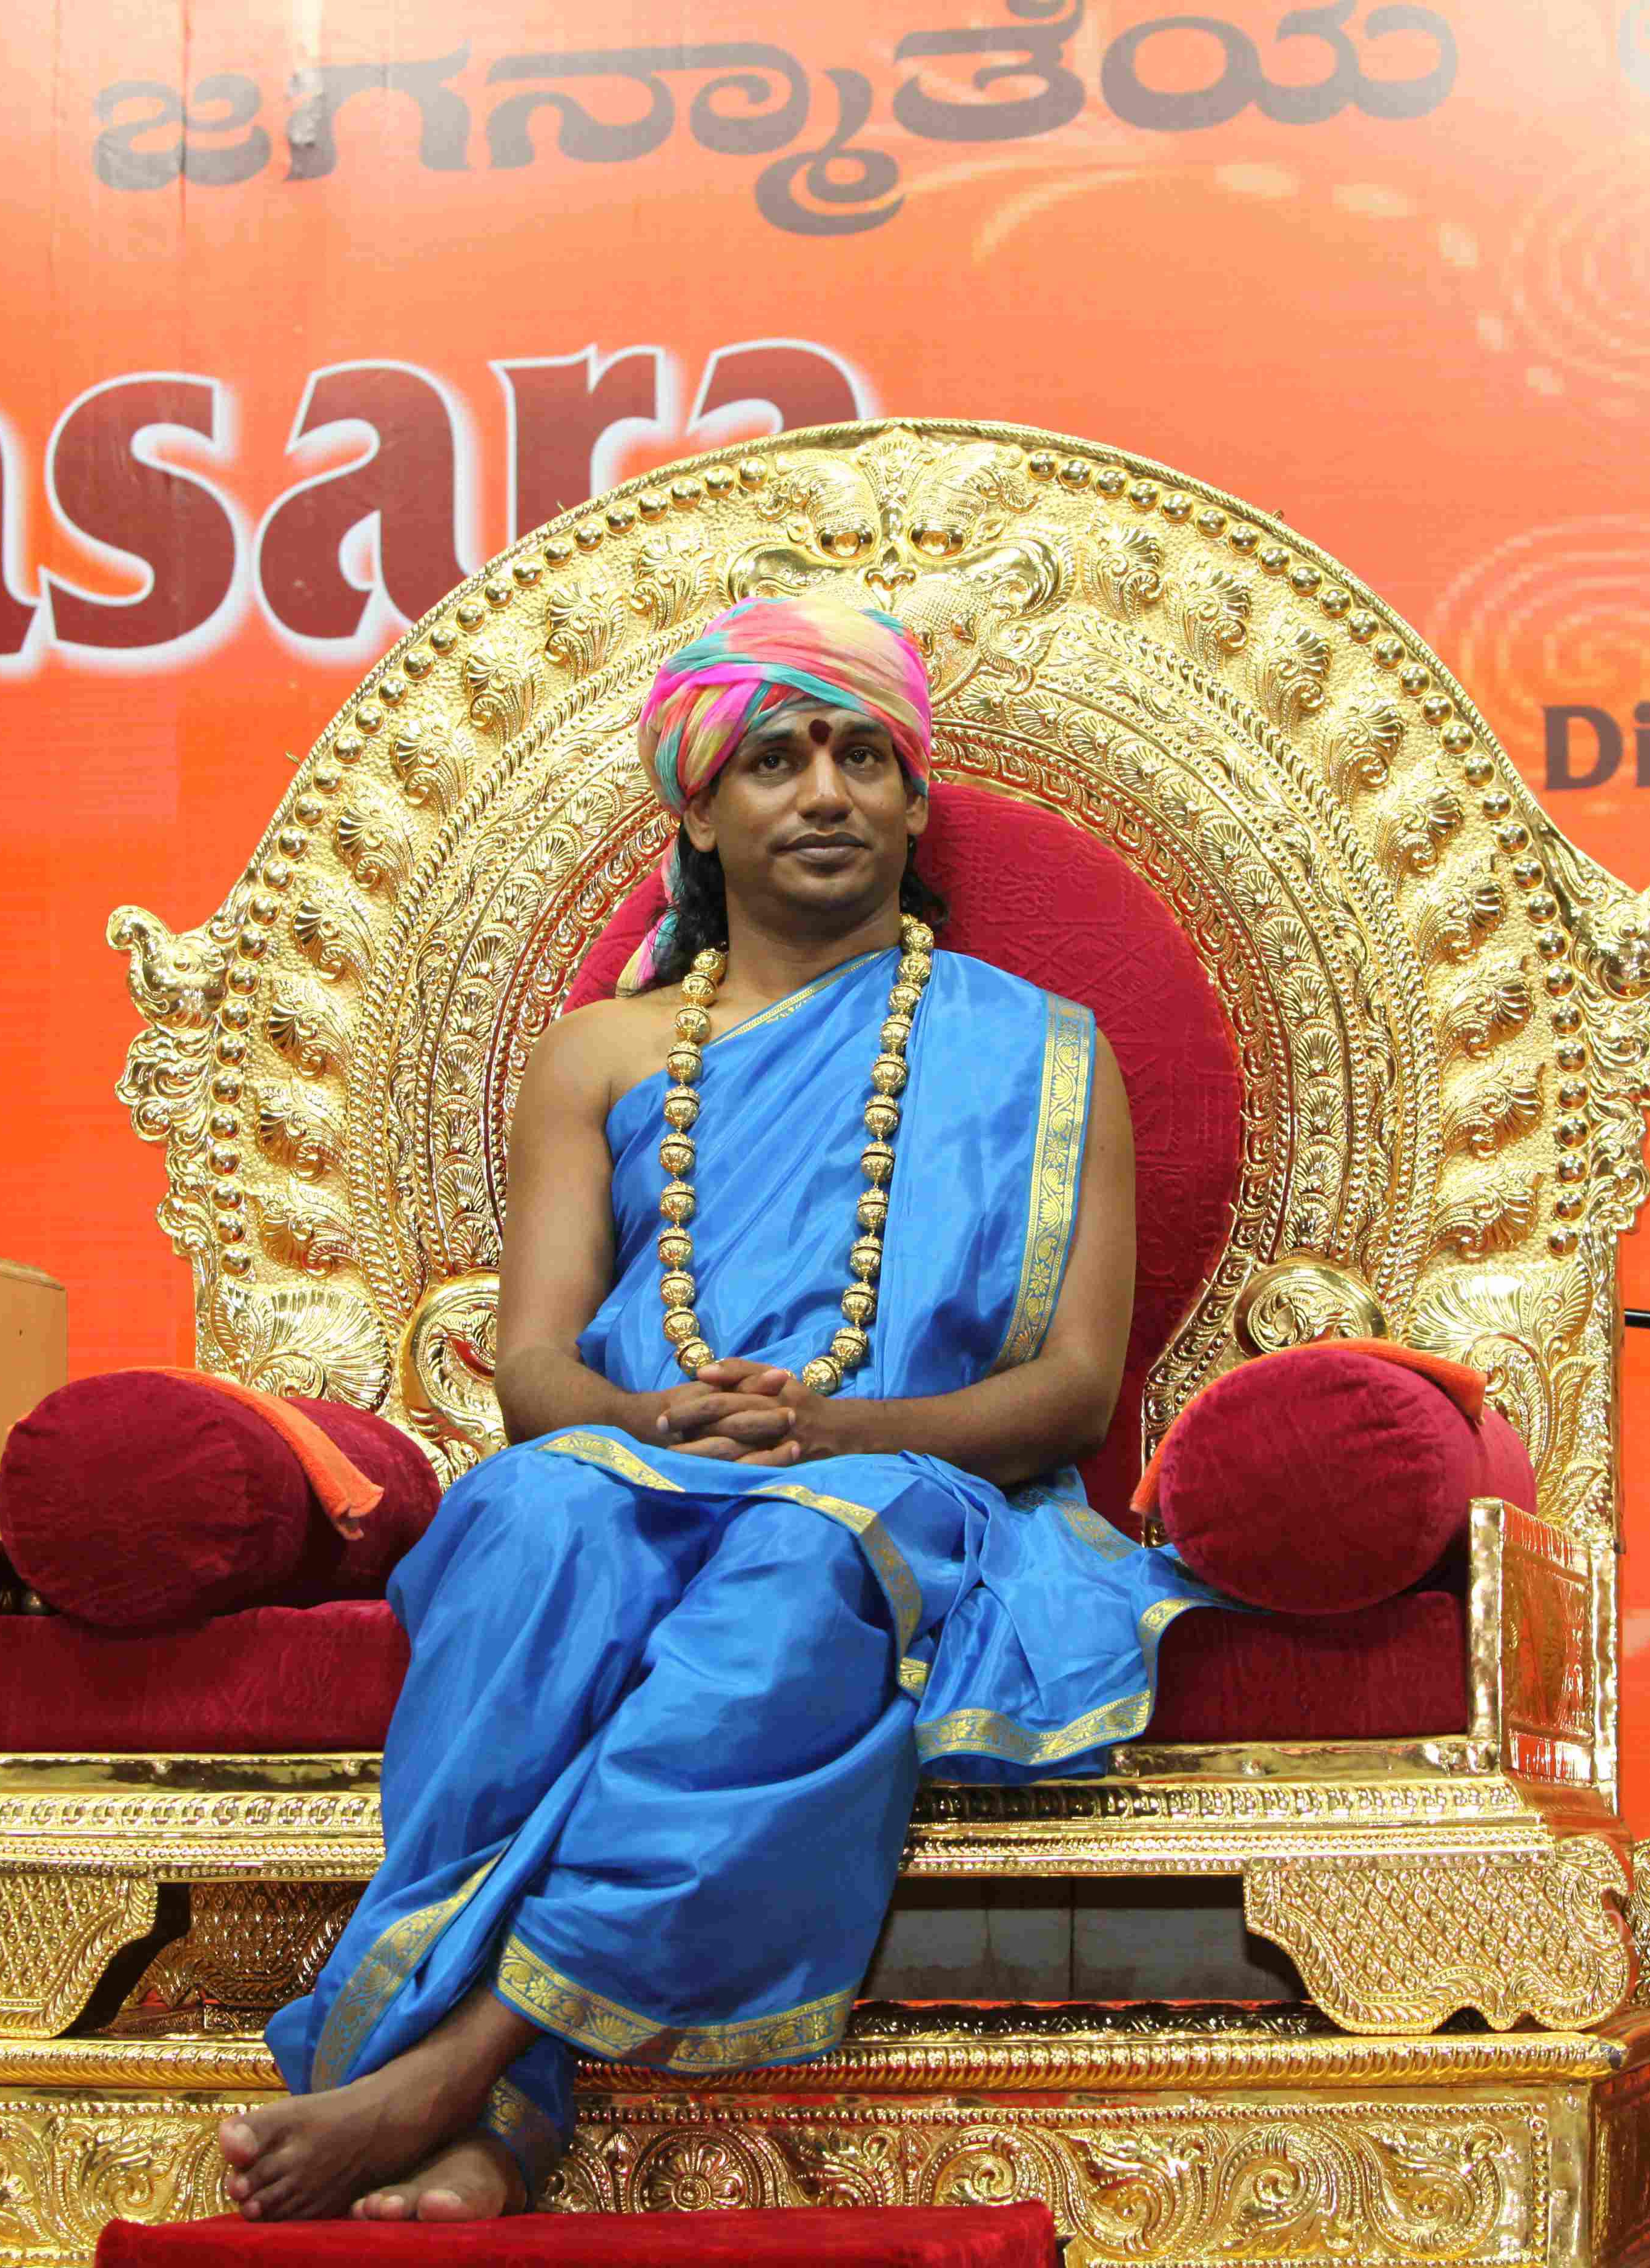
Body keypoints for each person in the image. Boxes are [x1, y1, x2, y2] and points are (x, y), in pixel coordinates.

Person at [219, 595, 1224, 2223]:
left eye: (861, 756)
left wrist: (827, 1436)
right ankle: (488, 2116)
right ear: (697, 811)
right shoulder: (603, 1054)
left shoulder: (1043, 1050)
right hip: (641, 1459)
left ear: (913, 802)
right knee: (528, 1523)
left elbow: (1068, 1393)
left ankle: (454, 2081)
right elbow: (536, 1376)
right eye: (774, 758)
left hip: (915, 1485)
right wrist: (670, 1417)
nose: (824, 792)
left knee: (802, 1560)